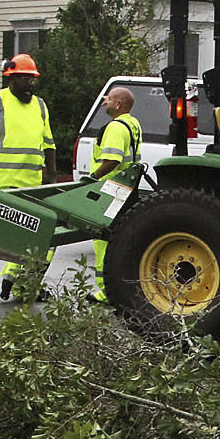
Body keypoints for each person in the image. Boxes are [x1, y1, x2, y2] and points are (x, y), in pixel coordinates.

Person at [0, 54, 55, 300]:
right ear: (11, 78)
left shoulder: (40, 106)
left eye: (32, 80)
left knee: (29, 236)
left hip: (31, 184)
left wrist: (51, 177)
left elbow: (49, 144)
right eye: (25, 79)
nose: (30, 85)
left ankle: (18, 281)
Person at [84, 85, 142, 303]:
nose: (104, 102)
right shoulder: (133, 124)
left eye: (108, 99)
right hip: (123, 189)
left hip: (109, 189)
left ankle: (106, 291)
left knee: (102, 241)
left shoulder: (116, 127)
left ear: (118, 104)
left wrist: (92, 178)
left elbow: (112, 160)